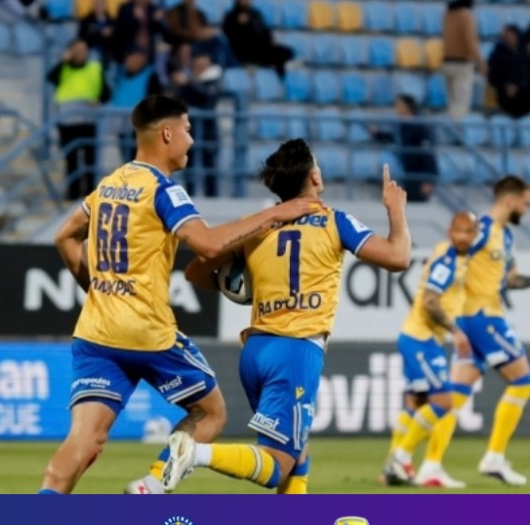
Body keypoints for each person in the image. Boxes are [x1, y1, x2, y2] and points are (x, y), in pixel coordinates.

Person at [37, 96, 319, 495]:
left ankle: (38, 517)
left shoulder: (109, 185)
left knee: (85, 440)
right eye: (187, 130)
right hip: (147, 332)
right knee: (211, 412)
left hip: (96, 333)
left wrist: (99, 290)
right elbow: (208, 244)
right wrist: (275, 214)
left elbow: (64, 236)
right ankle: (151, 488)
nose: (192, 140)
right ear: (167, 133)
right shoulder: (163, 190)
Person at [161, 139, 411, 494]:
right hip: (295, 351)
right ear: (314, 176)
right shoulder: (333, 221)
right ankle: (195, 452)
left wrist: (241, 286)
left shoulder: (256, 226)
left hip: (255, 351)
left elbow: (195, 274)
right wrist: (395, 209)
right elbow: (398, 257)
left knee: (298, 452)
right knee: (277, 465)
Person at [446, 176, 530, 486]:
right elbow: (453, 259)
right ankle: (494, 457)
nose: (527, 209)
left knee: (455, 396)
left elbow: (510, 280)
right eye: (525, 203)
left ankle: (414, 459)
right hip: (482, 317)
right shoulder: (480, 228)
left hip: (478, 318)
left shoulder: (506, 237)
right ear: (510, 200)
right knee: (523, 383)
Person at [383, 211, 477, 488]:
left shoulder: (452, 255)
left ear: (475, 234)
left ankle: (393, 468)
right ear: (450, 231)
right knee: (444, 403)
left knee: (416, 403)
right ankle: (400, 458)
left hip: (418, 338)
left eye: (468, 232)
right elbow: (430, 302)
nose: (463, 237)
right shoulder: (447, 261)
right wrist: (456, 332)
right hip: (421, 339)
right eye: (459, 231)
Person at [47, 39, 109, 201]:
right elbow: (50, 78)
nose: (80, 53)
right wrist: (62, 61)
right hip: (67, 122)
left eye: (83, 50)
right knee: (71, 159)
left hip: (88, 121)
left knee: (90, 159)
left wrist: (99, 100)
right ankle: (72, 194)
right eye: (77, 50)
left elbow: (106, 92)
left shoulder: (95, 68)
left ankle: (89, 194)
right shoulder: (63, 68)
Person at [168, 46, 222, 198]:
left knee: (209, 166)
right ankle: (189, 195)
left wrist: (187, 84)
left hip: (208, 130)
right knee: (189, 164)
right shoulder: (191, 78)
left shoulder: (214, 78)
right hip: (189, 130)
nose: (199, 66)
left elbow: (208, 97)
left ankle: (212, 197)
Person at [369, 95, 439, 203]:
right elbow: (395, 138)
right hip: (408, 171)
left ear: (407, 107)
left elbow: (428, 153)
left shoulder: (420, 126)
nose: (396, 108)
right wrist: (377, 134)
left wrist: (429, 180)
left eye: (399, 105)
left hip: (418, 175)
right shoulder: (402, 125)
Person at [488, 25, 530, 121]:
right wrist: (504, 86)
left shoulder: (525, 52)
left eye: (511, 35)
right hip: (507, 94)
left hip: (525, 91)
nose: (508, 38)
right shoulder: (498, 54)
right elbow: (493, 76)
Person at [222, 0, 294, 79]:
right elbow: (228, 34)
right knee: (278, 57)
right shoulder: (231, 16)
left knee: (286, 52)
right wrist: (239, 25)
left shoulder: (255, 14)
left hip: (261, 48)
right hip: (245, 52)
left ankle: (276, 74)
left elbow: (264, 31)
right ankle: (277, 77)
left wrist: (270, 41)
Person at [442, 0, 486, 119]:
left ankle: (451, 128)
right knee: (461, 106)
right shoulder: (466, 15)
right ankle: (456, 130)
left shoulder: (447, 14)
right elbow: (470, 42)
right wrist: (481, 62)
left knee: (452, 104)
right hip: (462, 63)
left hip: (448, 61)